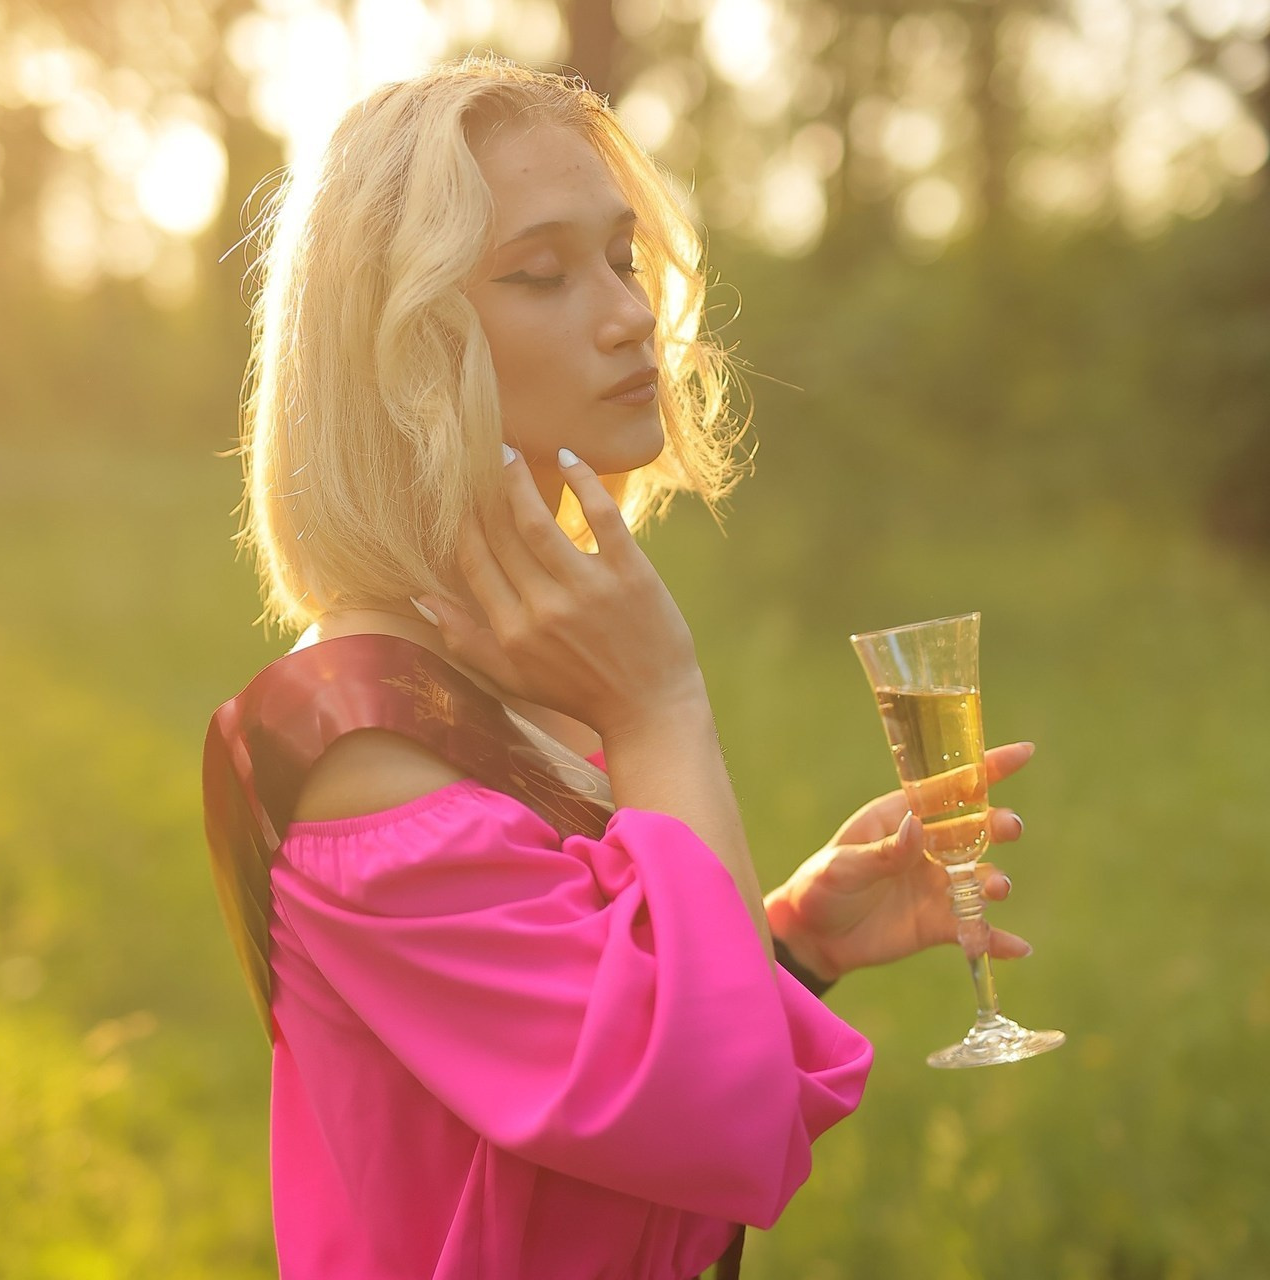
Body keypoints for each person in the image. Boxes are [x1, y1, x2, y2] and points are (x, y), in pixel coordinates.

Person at [205, 55, 1034, 1280]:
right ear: (398, 349)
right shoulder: (364, 749)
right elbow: (718, 1126)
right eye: (541, 273)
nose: (628, 312)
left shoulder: (505, 662)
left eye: (621, 257)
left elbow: (601, 1111)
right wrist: (659, 709)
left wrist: (785, 946)